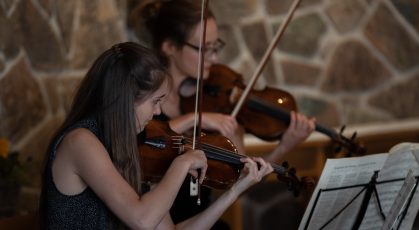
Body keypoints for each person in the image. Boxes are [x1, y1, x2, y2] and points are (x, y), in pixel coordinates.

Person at [39, 42, 273, 229]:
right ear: (126, 99)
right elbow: (142, 220)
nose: (158, 112)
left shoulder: (130, 150)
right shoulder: (81, 141)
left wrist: (233, 192)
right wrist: (182, 163)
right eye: (155, 102)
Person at [130, 0, 316, 228]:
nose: (214, 58)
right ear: (169, 47)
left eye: (215, 46)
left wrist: (284, 147)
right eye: (203, 48)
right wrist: (194, 118)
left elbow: (239, 183)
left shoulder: (218, 107)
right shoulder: (141, 102)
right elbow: (135, 140)